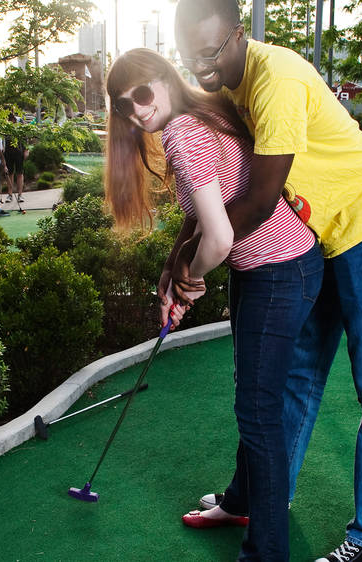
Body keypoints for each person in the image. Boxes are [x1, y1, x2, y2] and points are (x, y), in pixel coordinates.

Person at [172, 2, 362, 561]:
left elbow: (256, 202)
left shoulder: (274, 78)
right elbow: (217, 187)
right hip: (317, 236)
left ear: (238, 35)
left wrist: (192, 266)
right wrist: (178, 256)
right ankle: (255, 498)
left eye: (210, 53)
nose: (201, 67)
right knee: (297, 378)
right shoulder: (228, 85)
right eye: (189, 56)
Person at [105, 48, 323, 562]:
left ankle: (265, 553)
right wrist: (173, 266)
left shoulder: (182, 132)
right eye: (121, 106)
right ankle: (241, 501)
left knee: (258, 411)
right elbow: (208, 208)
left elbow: (220, 237)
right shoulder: (202, 114)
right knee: (254, 401)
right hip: (278, 265)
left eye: (140, 94)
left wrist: (191, 277)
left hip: (277, 270)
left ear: (162, 79)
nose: (135, 111)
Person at [3, 114, 29, 203]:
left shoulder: (20, 121)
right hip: (8, 152)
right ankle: (10, 195)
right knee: (9, 173)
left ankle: (20, 195)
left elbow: (25, 136)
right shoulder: (4, 123)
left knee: (19, 173)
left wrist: (26, 149)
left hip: (19, 151)